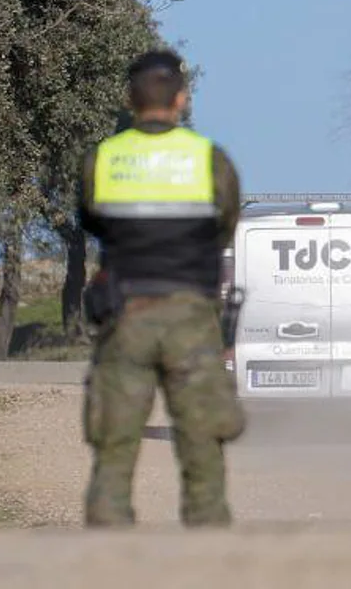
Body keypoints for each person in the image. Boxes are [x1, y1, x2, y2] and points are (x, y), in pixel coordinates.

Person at [77, 49, 245, 528]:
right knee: (201, 440)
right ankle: (208, 550)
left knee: (114, 442)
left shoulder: (103, 160)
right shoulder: (210, 161)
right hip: (191, 316)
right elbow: (226, 225)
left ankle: (110, 556)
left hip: (124, 316)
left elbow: (91, 219)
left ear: (130, 99)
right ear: (181, 99)